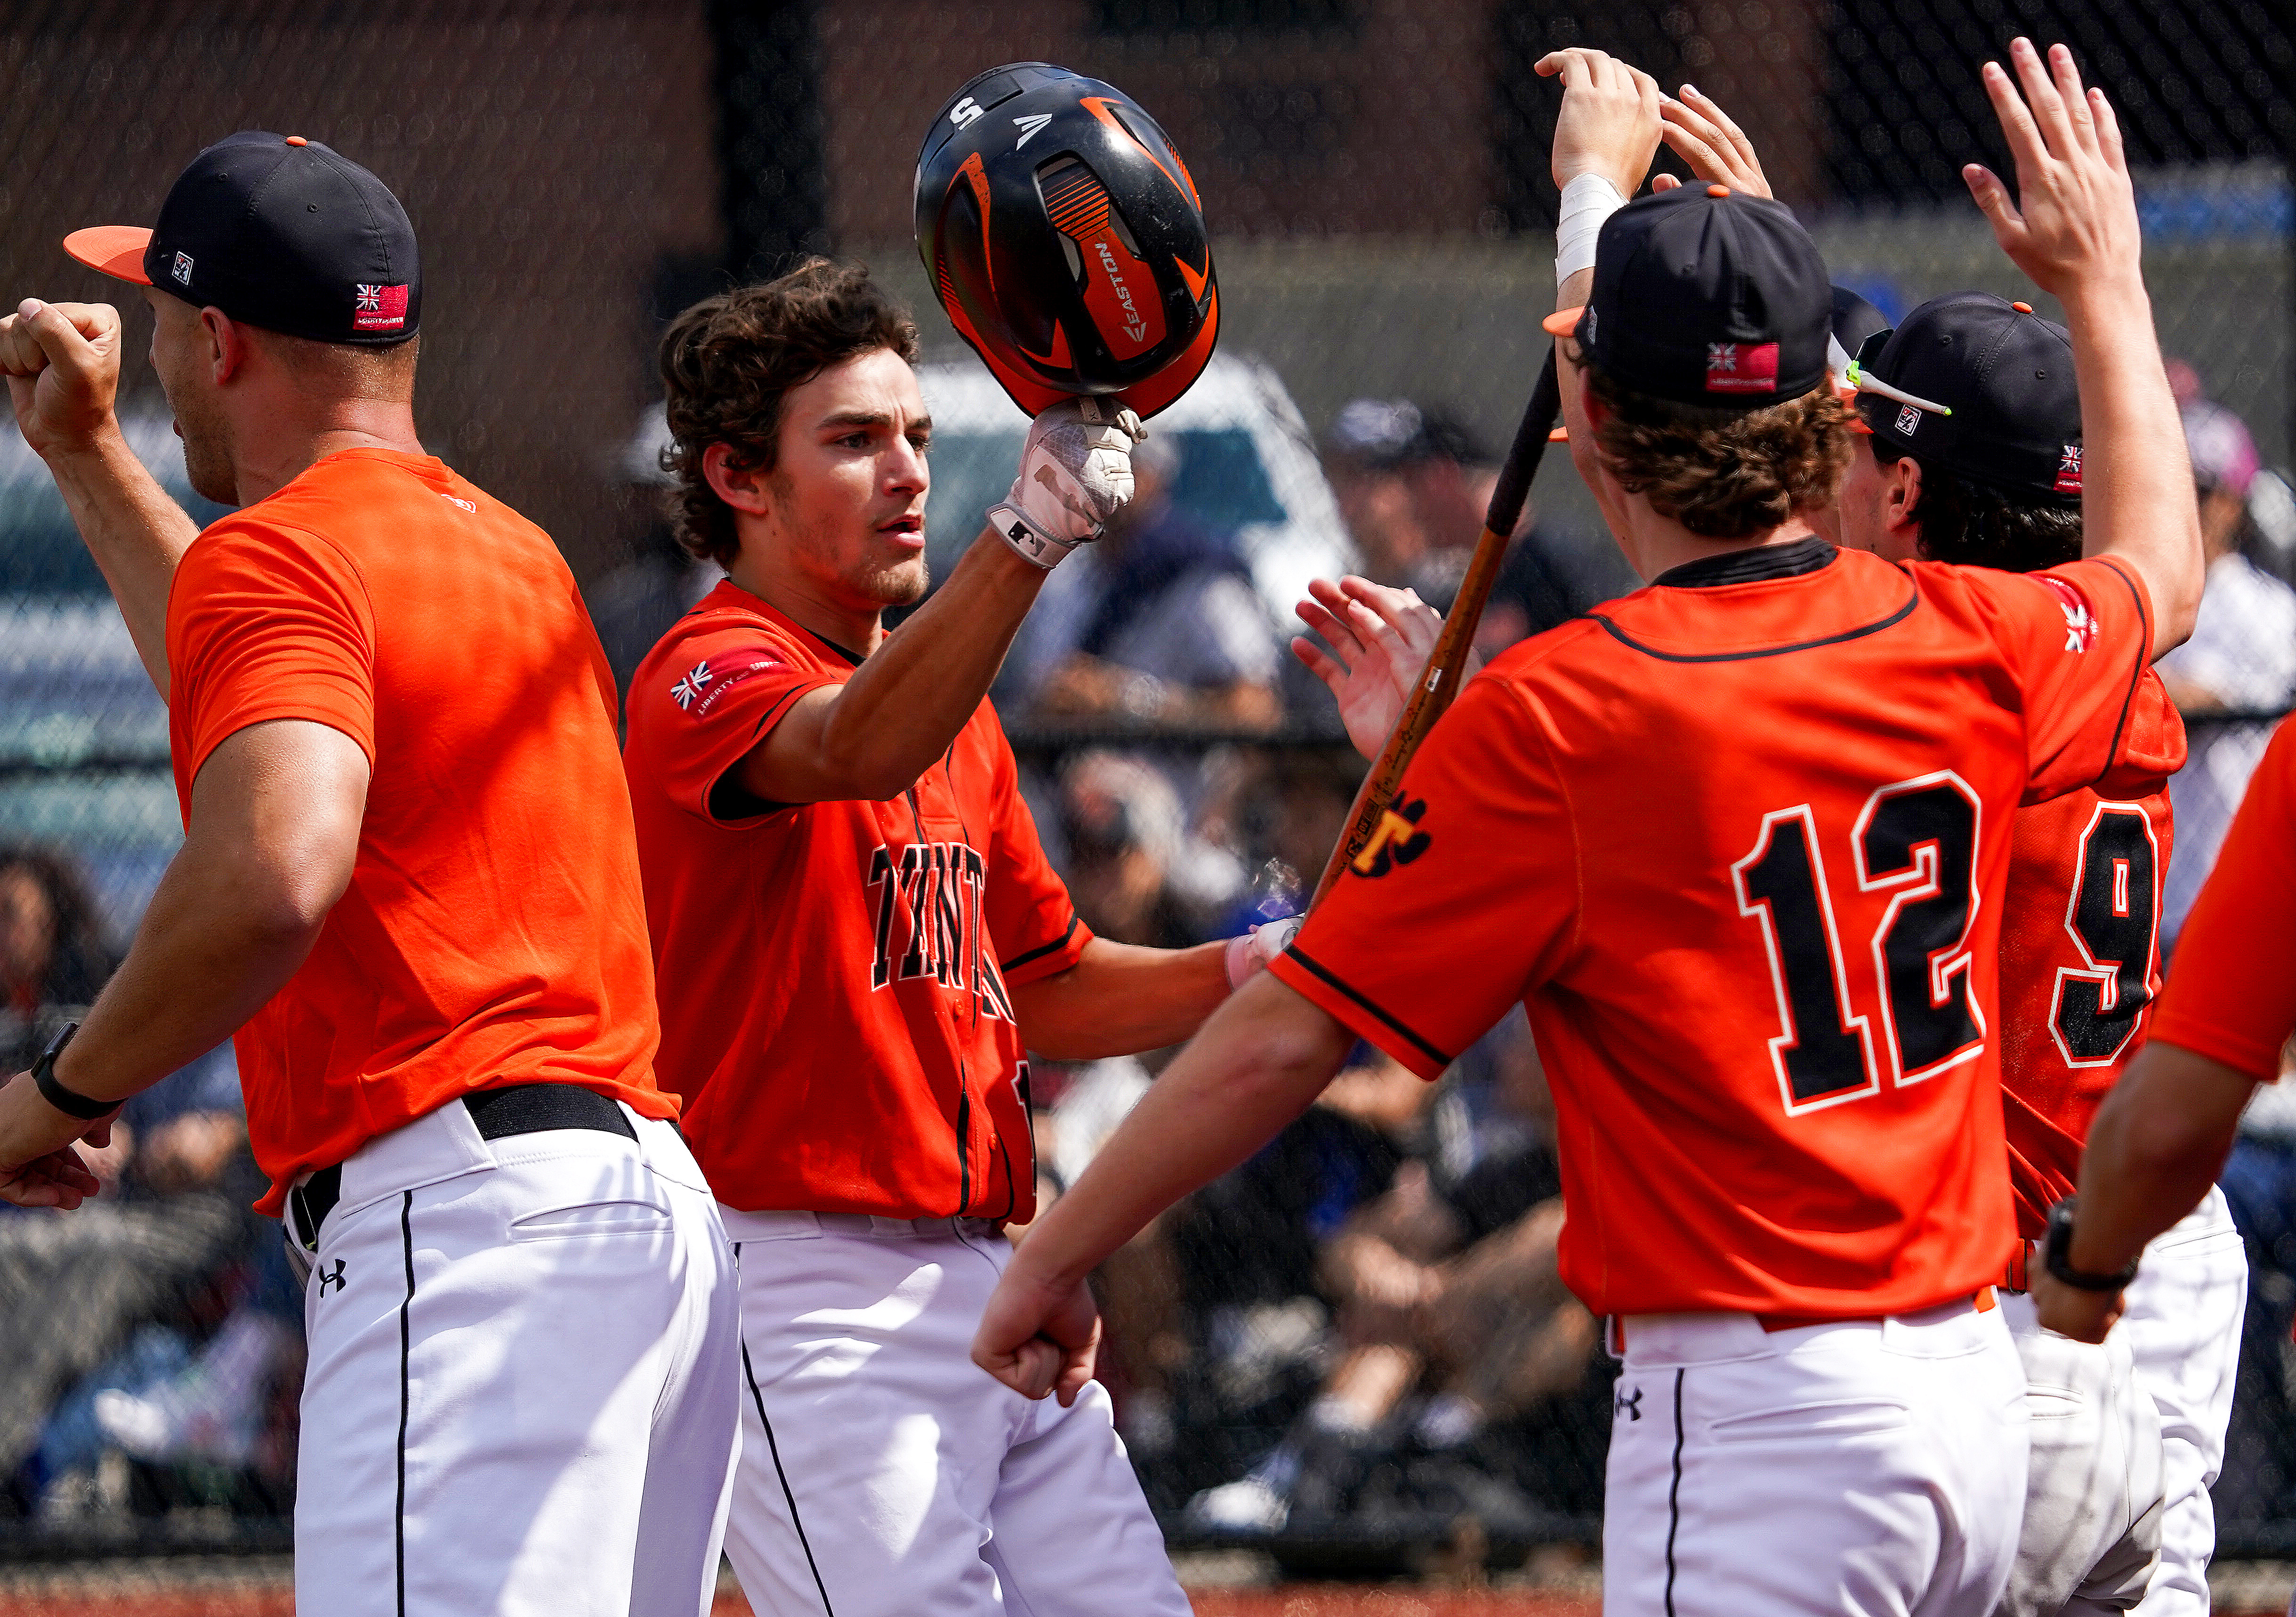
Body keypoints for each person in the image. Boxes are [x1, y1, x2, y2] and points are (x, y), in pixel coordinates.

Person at [973, 38, 2203, 1614]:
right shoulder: (1962, 629)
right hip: (1975, 1378)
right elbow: (2154, 569)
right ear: (1828, 427)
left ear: (1588, 420)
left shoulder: (1562, 709)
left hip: (1763, 1412)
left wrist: (1051, 1250)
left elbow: (1286, 1039)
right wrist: (2105, 280)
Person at [0, 132, 738, 1615]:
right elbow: (246, 680)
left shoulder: (284, 557)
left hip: (464, 1229)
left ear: (219, 340)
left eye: (161, 322)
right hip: (640, 1222)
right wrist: (89, 460)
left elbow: (276, 864)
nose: (152, 357)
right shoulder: (505, 547)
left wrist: (56, 1087)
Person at [619, 259, 1300, 1617]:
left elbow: (1045, 984)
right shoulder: (710, 669)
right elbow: (860, 742)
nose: (906, 472)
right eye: (855, 441)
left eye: (918, 437)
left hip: (995, 1269)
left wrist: (1239, 968)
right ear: (738, 480)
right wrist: (1033, 529)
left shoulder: (950, 708)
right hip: (803, 1284)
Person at [1662, 82, 2227, 1615]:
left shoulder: (1924, 670)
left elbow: (1754, 520)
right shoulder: (2106, 650)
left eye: (1862, 448)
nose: (1831, 461)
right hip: (2154, 1252)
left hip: (2017, 1296)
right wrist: (2099, 290)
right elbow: (2114, 539)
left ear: (1904, 490)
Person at [2155, 392, 2296, 946]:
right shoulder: (2158, 595)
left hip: (2228, 890)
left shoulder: (2263, 607)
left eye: (2196, 490)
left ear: (2230, 504)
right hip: (2163, 892)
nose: (2175, 504)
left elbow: (2200, 698)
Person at [1023, 436, 1284, 730]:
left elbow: (1257, 709)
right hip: (1057, 768)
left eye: (1108, 467)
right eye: (1079, 466)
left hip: (1168, 770)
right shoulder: (1061, 574)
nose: (1090, 480)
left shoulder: (1200, 573)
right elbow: (1035, 691)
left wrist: (1125, 698)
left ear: (1151, 478)